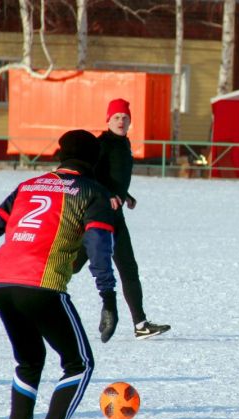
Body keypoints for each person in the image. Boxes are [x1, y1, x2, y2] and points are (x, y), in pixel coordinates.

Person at [0, 130, 119, 419]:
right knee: (80, 364)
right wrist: (108, 297)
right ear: (94, 160)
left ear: (60, 154)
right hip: (42, 286)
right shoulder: (92, 191)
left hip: (3, 286)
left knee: (28, 362)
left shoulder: (28, 186)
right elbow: (99, 246)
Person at [73, 98, 170, 339]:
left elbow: (113, 175)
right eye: (116, 117)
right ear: (107, 120)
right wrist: (108, 195)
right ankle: (30, 293)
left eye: (125, 117)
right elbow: (90, 176)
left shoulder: (123, 144)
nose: (121, 121)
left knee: (128, 268)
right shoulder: (102, 144)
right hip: (97, 217)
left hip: (115, 216)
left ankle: (141, 324)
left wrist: (124, 194)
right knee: (72, 264)